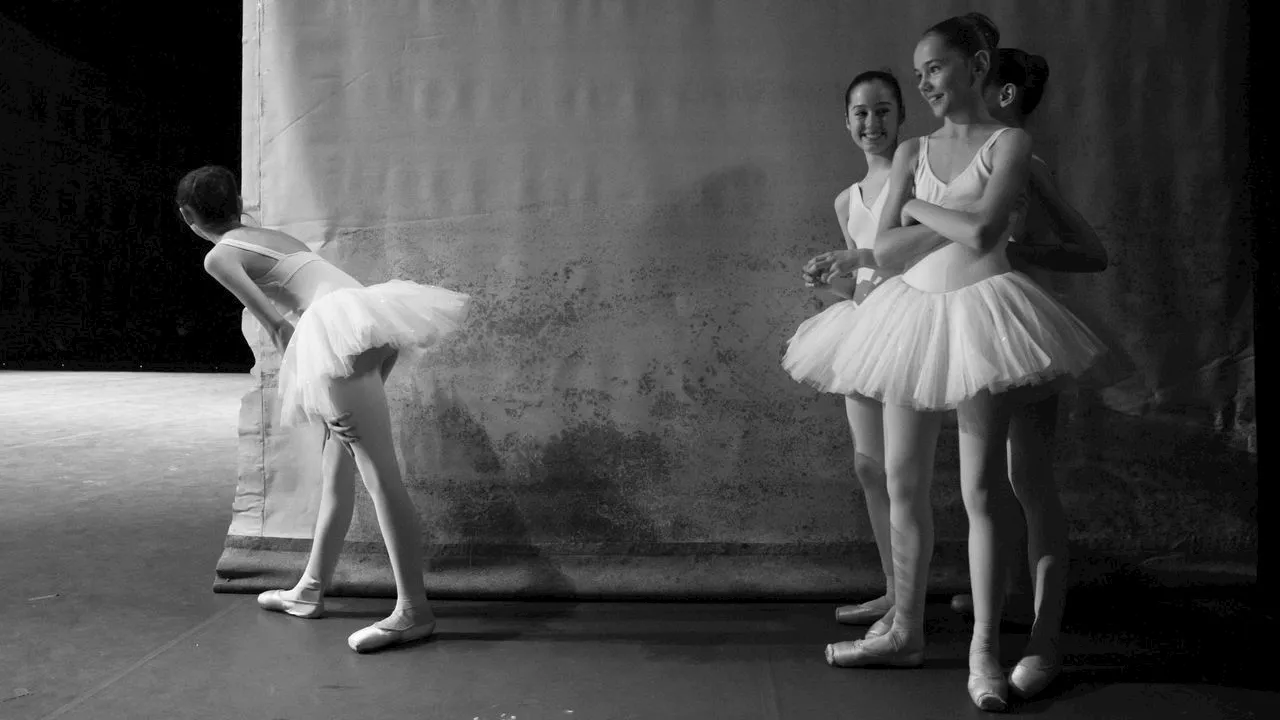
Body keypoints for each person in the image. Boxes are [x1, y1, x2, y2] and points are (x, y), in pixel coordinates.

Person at [810, 14, 1105, 712]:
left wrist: (914, 206)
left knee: (991, 489)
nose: (924, 83)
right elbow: (889, 251)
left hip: (987, 317)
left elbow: (979, 232)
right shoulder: (915, 151)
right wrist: (862, 254)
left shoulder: (1012, 144)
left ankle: (995, 649)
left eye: (934, 69)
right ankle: (904, 626)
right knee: (898, 476)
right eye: (918, 73)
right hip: (914, 315)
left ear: (977, 66)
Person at [176, 165, 471, 653]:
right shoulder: (268, 234)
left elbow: (278, 326)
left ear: (188, 215)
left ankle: (414, 611)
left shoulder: (220, 256)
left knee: (380, 476)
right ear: (238, 201)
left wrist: (312, 383)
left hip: (338, 338)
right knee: (338, 465)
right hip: (368, 324)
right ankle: (309, 589)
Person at [783, 68, 910, 635]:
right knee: (869, 465)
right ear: (846, 122)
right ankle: (893, 588)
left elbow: (913, 261)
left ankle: (911, 596)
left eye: (883, 110)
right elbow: (856, 285)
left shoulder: (916, 180)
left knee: (905, 468)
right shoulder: (847, 200)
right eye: (861, 112)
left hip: (909, 326)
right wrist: (825, 282)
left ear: (901, 116)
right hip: (861, 331)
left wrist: (860, 265)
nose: (871, 123)